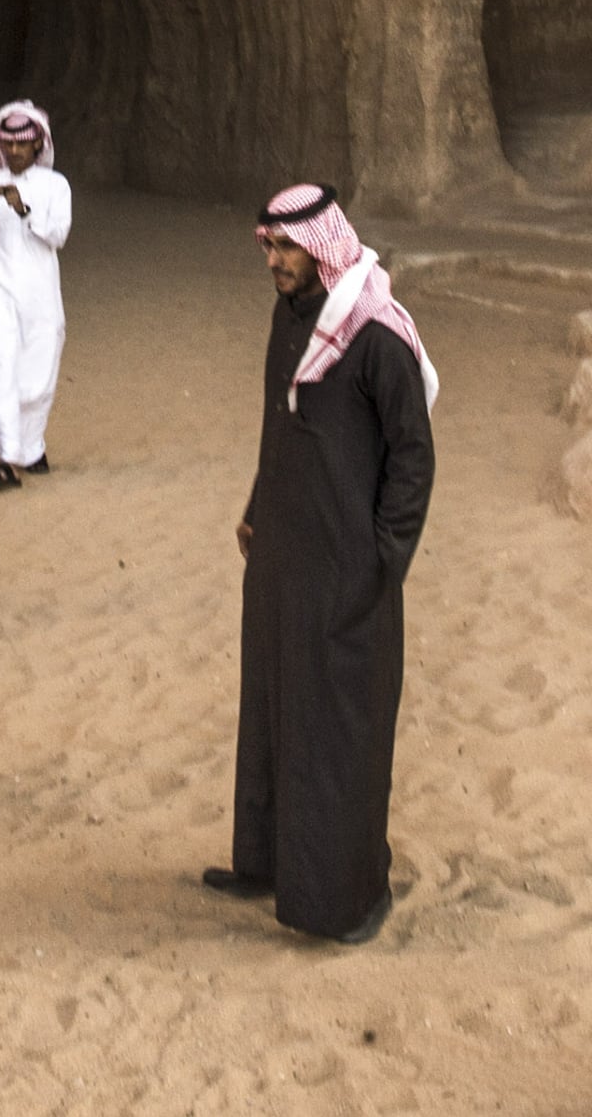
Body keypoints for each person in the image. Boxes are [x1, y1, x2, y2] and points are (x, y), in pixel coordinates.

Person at [211, 184, 435, 944]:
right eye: (268, 246)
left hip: (347, 568)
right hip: (282, 554)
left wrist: (383, 559)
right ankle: (266, 862)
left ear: (322, 247)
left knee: (339, 726)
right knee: (274, 705)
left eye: (287, 247)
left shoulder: (375, 337)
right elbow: (283, 427)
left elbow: (413, 458)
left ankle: (350, 896)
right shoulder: (290, 317)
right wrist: (257, 504)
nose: (274, 261)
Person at [0, 102, 71, 488]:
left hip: (42, 292)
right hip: (1, 291)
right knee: (3, 369)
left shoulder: (55, 185)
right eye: (7, 144)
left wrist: (23, 210)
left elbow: (58, 235)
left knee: (39, 372)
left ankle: (32, 446)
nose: (14, 151)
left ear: (38, 144)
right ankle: (9, 458)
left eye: (22, 144)